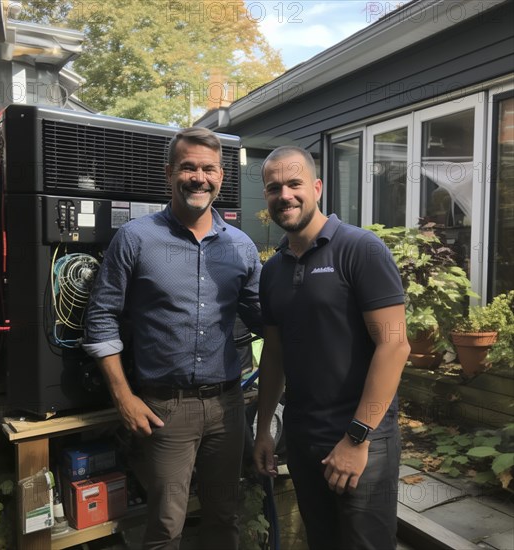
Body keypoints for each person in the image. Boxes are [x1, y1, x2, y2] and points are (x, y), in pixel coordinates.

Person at [83, 127, 262, 550]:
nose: (199, 178)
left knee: (225, 515)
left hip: (227, 405)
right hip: (165, 408)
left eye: (208, 169)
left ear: (221, 177)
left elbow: (266, 316)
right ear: (169, 174)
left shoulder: (241, 247)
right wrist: (124, 398)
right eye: (188, 168)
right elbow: (101, 318)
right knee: (165, 526)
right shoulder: (136, 238)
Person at [253, 146, 410, 550]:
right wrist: (265, 427)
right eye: (273, 188)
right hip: (304, 437)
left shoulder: (360, 249)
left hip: (363, 439)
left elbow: (394, 347)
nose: (284, 195)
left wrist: (356, 439)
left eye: (294, 184)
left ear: (317, 187)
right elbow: (274, 354)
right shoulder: (272, 270)